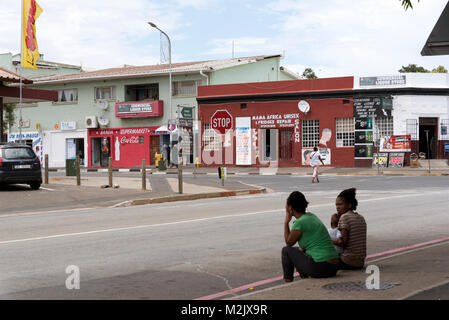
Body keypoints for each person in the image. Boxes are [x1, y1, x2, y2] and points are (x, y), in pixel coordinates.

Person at [282, 191, 339, 282]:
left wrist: (286, 222)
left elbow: (289, 242)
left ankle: (288, 280)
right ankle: (304, 277)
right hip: (334, 267)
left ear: (290, 208)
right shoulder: (312, 216)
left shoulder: (300, 222)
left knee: (286, 251)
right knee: (299, 251)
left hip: (321, 267)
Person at [332, 188, 367, 270]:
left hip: (347, 261)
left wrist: (326, 239)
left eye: (340, 205)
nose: (337, 207)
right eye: (336, 205)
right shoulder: (360, 217)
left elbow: (342, 242)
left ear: (349, 205)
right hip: (360, 262)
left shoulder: (345, 217)